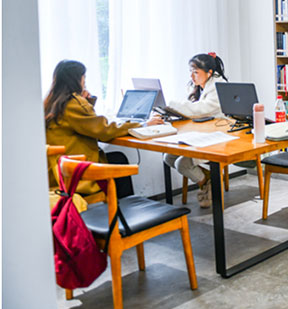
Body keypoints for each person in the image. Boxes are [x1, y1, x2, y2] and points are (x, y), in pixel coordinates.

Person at [44, 60, 163, 196]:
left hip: (58, 168)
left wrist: (87, 101)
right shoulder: (73, 103)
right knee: (119, 160)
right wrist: (143, 125)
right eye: (84, 77)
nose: (84, 81)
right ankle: (124, 205)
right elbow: (104, 131)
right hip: (75, 172)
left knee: (117, 158)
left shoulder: (52, 101)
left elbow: (86, 123)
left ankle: (120, 205)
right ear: (77, 79)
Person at [162, 52, 227, 208]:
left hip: (216, 137)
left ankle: (207, 182)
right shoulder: (197, 87)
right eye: (190, 72)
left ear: (209, 73)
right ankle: (207, 178)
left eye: (196, 72)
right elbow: (192, 109)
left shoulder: (218, 87)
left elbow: (200, 109)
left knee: (182, 164)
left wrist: (174, 105)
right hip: (199, 133)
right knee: (168, 157)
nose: (192, 76)